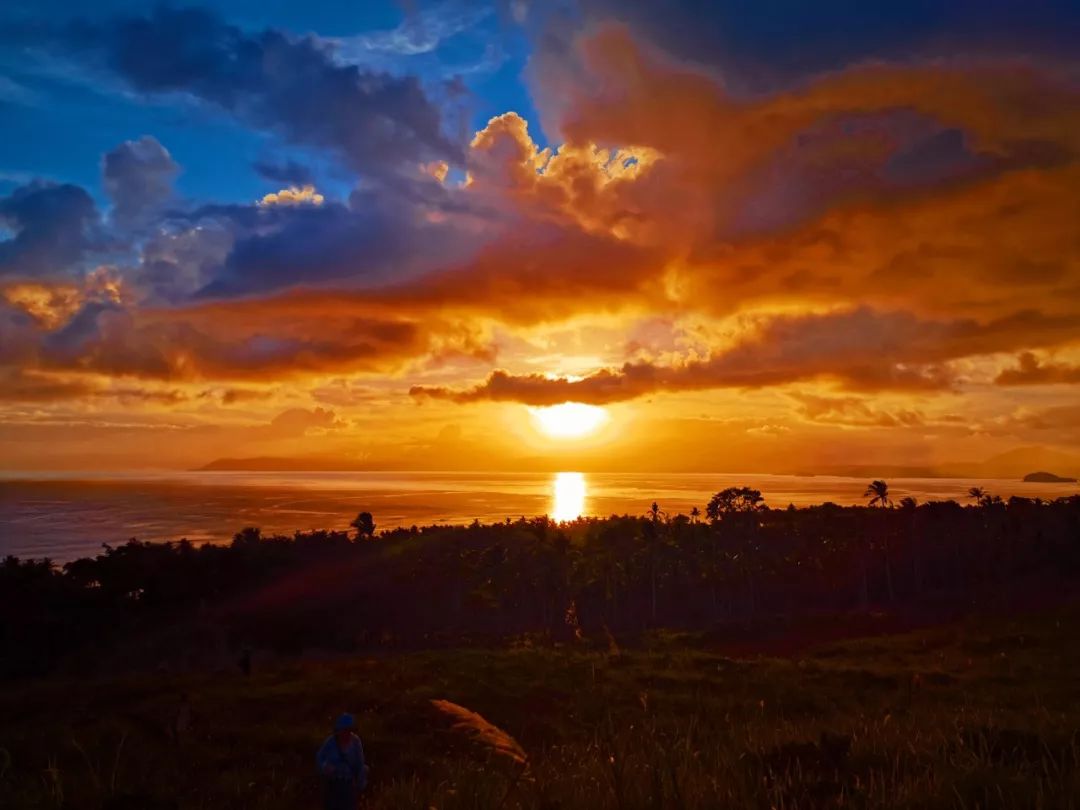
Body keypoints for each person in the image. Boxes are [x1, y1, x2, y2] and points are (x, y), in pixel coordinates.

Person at [316, 713, 368, 809]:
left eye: (349, 730)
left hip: (348, 786)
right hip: (333, 785)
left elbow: (360, 763)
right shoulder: (330, 742)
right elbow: (319, 757)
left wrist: (361, 783)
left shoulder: (356, 742)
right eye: (344, 730)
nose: (347, 733)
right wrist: (324, 767)